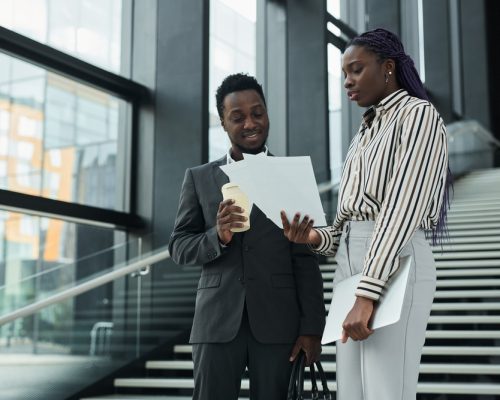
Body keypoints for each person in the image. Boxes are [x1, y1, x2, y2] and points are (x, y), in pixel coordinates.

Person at [281, 28, 450, 400]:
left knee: (387, 391)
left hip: (396, 259)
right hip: (352, 264)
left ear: (387, 68)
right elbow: (346, 224)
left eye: (356, 70)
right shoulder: (364, 132)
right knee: (352, 394)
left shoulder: (417, 116)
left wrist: (367, 293)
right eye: (343, 73)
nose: (347, 81)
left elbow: (401, 210)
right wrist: (313, 237)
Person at [168, 73, 326, 400]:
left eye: (257, 113)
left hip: (279, 324)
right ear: (224, 124)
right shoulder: (199, 178)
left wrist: (312, 329)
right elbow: (179, 246)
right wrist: (218, 236)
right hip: (216, 322)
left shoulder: (291, 177)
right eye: (237, 117)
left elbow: (305, 261)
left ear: (267, 114)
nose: (250, 123)